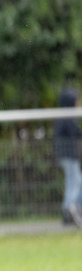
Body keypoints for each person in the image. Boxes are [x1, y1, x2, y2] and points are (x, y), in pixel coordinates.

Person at [54, 87, 82, 227]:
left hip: (66, 155)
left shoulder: (63, 117)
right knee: (75, 181)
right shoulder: (68, 117)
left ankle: (67, 213)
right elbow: (76, 133)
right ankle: (71, 209)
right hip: (69, 155)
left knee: (72, 182)